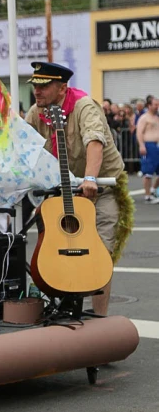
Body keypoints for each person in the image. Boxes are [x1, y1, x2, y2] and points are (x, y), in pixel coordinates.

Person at [25, 62, 132, 317]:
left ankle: (99, 321)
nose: (37, 91)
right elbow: (23, 148)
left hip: (101, 189)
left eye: (44, 85)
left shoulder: (84, 106)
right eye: (35, 86)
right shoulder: (35, 112)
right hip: (65, 192)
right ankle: (61, 310)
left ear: (62, 88)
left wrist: (91, 178)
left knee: (100, 256)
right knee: (57, 251)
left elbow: (94, 141)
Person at [136, 96, 159, 202]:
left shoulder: (157, 117)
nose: (157, 107)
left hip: (157, 146)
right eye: (155, 105)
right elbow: (139, 132)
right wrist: (141, 145)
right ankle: (147, 196)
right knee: (148, 172)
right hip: (148, 146)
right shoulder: (144, 118)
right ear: (149, 105)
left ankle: (153, 190)